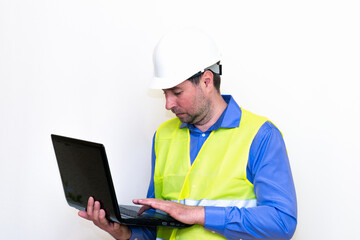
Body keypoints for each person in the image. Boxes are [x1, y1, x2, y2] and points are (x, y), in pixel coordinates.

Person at [78, 27, 297, 240]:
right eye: (165, 93)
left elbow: (282, 222)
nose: (168, 104)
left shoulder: (261, 135)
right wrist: (123, 233)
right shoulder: (163, 136)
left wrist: (198, 214)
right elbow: (158, 225)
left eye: (177, 92)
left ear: (206, 81)